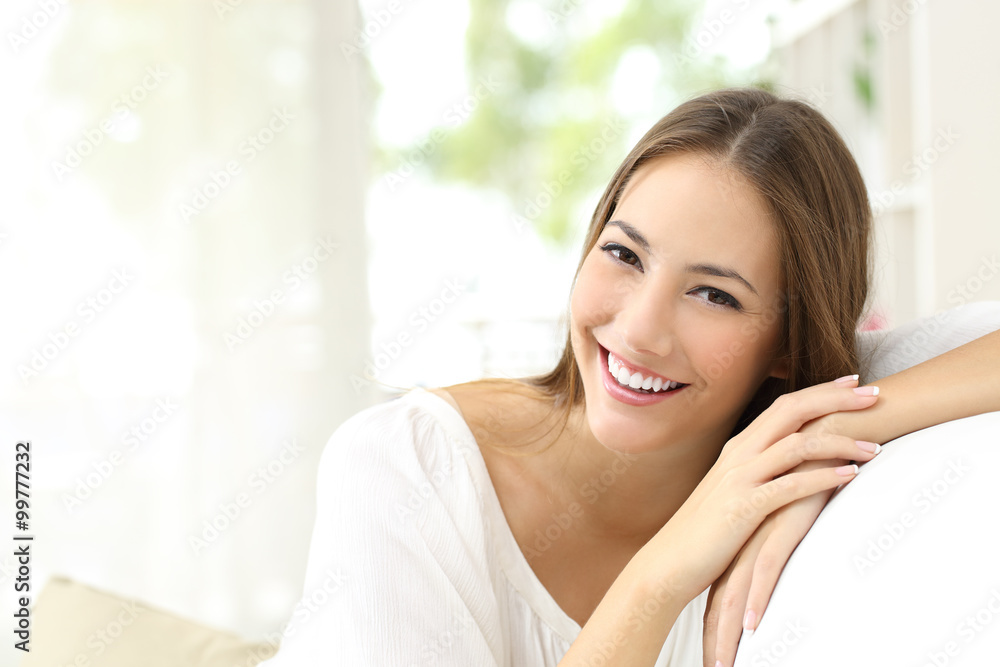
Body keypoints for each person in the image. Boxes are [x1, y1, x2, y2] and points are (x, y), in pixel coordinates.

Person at [260, 87, 1000, 666]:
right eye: (625, 254)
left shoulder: (789, 425)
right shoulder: (405, 465)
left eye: (714, 294)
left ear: (786, 344)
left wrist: (847, 421)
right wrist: (659, 577)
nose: (639, 329)